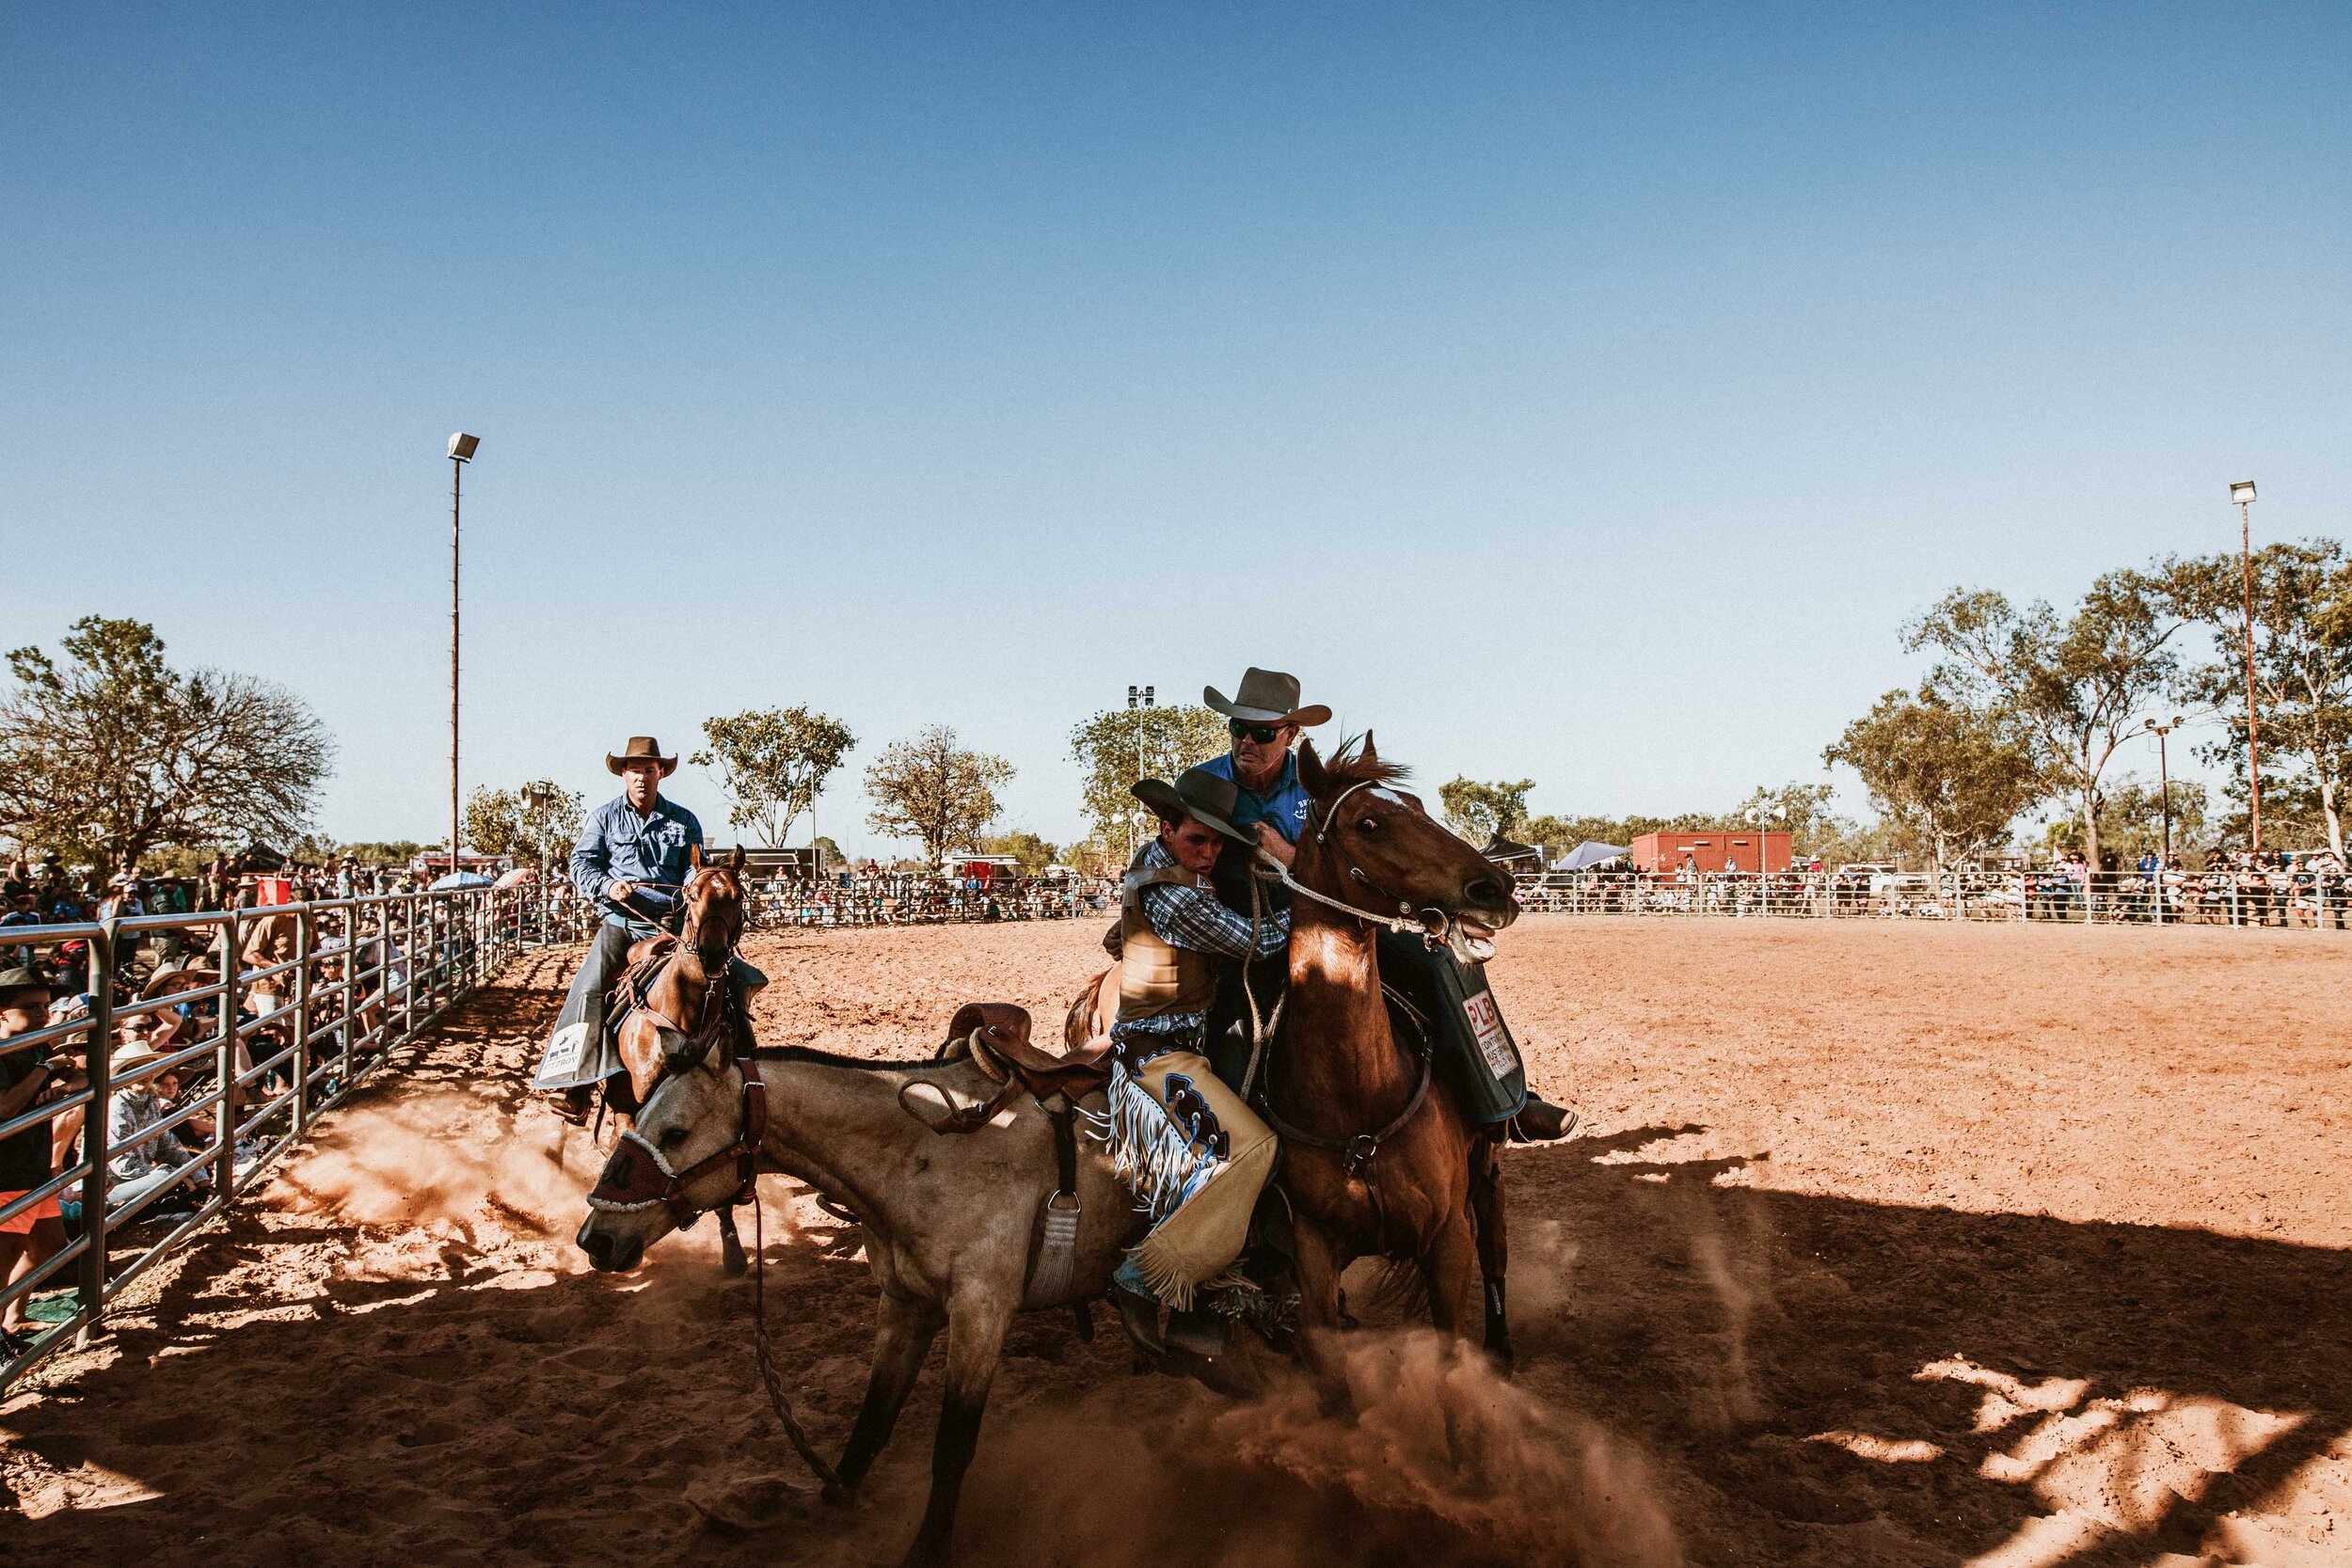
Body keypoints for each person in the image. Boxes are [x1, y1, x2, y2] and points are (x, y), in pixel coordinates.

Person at [1197, 666, 1574, 1144]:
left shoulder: (1326, 787)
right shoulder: (1204, 782)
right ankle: (1219, 1149)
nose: (1246, 741)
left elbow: (1371, 858)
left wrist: (1285, 854)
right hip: (1239, 925)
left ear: (1291, 733)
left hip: (1330, 921)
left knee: (1444, 963)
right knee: (1213, 1014)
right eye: (1238, 728)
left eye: (1263, 732)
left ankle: (1505, 1102)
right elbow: (1173, 848)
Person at [1104, 767, 1290, 1358]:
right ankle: (1142, 1275)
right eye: (1198, 840)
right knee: (1254, 1148)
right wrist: (1319, 912)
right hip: (1156, 1056)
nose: (1209, 855)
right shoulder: (1172, 892)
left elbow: (1118, 939)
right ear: (1168, 827)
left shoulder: (1165, 870)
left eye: (1217, 844)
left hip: (1180, 1044)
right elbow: (1257, 942)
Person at [532, 736, 765, 1120]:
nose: (642, 777)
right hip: (622, 922)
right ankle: (574, 1085)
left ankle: (749, 1068)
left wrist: (697, 881)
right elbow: (582, 863)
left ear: (661, 774)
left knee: (736, 978)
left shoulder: (683, 820)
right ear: (624, 774)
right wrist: (609, 885)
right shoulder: (603, 817)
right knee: (589, 987)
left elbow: (695, 865)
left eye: (650, 770)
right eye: (635, 770)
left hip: (673, 926)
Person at [0, 964, 73, 1354]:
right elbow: (6, 1107)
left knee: (50, 1245)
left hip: (33, 1163)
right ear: (3, 1012)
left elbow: (77, 1082)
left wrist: (64, 1078)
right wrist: (47, 1070)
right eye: (32, 1007)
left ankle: (14, 1315)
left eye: (47, 1006)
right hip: (7, 1169)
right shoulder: (8, 1054)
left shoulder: (36, 1046)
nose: (44, 1015)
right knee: (3, 1257)